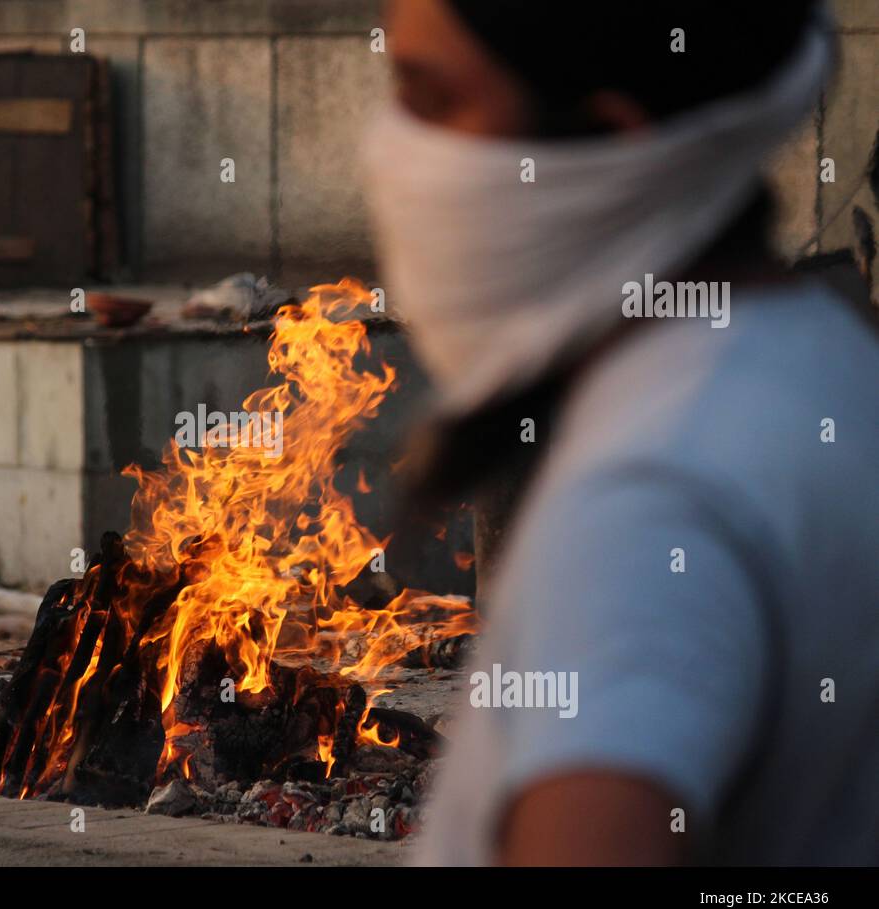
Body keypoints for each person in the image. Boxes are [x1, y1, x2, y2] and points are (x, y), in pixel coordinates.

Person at [362, 0, 879, 864]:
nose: (390, 148)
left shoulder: (650, 500)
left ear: (608, 140)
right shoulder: (825, 362)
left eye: (432, 97)